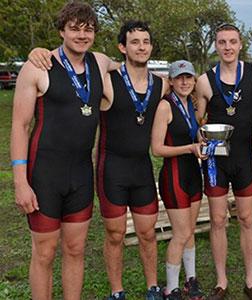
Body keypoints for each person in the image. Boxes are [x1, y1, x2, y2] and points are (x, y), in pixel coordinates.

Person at [10, 2, 116, 299]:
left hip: (81, 174)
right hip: (45, 174)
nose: (82, 36)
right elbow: (19, 126)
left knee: (75, 249)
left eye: (88, 29)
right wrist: (20, 182)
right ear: (61, 31)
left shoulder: (100, 62)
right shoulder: (38, 66)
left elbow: (129, 64)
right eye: (74, 29)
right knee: (44, 252)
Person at [193, 23, 252, 300]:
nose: (227, 47)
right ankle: (221, 282)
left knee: (247, 219)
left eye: (232, 42)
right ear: (216, 45)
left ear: (240, 45)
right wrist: (198, 137)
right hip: (216, 162)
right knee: (217, 220)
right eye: (222, 42)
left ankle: (250, 281)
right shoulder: (204, 81)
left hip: (244, 159)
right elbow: (198, 121)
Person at [96, 20, 169, 300]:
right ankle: (117, 291)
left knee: (148, 233)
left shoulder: (161, 85)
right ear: (122, 47)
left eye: (146, 42)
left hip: (142, 169)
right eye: (135, 42)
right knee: (115, 235)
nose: (142, 47)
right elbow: (87, 64)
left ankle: (152, 287)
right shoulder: (107, 81)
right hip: (111, 168)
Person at [150, 60, 206, 300]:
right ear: (171, 81)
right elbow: (157, 149)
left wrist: (203, 139)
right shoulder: (165, 106)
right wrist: (190, 148)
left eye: (188, 77)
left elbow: (194, 135)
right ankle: (170, 288)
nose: (184, 82)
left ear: (194, 81)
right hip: (174, 176)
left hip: (193, 174)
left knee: (190, 231)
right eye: (179, 77)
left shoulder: (190, 105)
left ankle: (190, 279)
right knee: (181, 234)